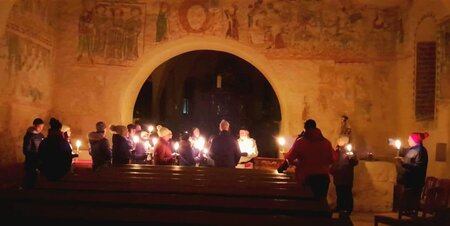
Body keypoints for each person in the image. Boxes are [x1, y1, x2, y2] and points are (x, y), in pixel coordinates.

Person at [277, 119, 335, 200]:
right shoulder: (326, 142)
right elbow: (332, 159)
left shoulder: (301, 142)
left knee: (308, 203)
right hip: (323, 177)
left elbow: (290, 158)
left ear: (305, 128)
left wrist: (281, 168)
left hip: (307, 177)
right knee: (321, 203)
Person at [396, 132, 429, 214]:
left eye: (409, 139)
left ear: (414, 140)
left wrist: (403, 164)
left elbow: (418, 168)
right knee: (407, 207)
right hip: (409, 182)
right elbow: (409, 159)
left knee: (410, 207)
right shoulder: (414, 149)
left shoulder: (420, 151)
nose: (408, 140)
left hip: (414, 183)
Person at [330, 139, 359, 218]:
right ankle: (340, 207)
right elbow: (333, 161)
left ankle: (348, 209)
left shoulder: (350, 151)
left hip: (347, 177)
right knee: (339, 193)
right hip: (338, 177)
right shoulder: (336, 152)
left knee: (347, 193)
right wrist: (333, 170)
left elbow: (355, 162)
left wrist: (351, 157)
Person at [22, 118, 45, 188]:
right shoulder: (29, 136)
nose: (41, 129)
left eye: (42, 127)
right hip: (31, 162)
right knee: (31, 180)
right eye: (40, 127)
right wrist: (36, 155)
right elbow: (26, 150)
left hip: (39, 161)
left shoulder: (41, 135)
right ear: (35, 126)